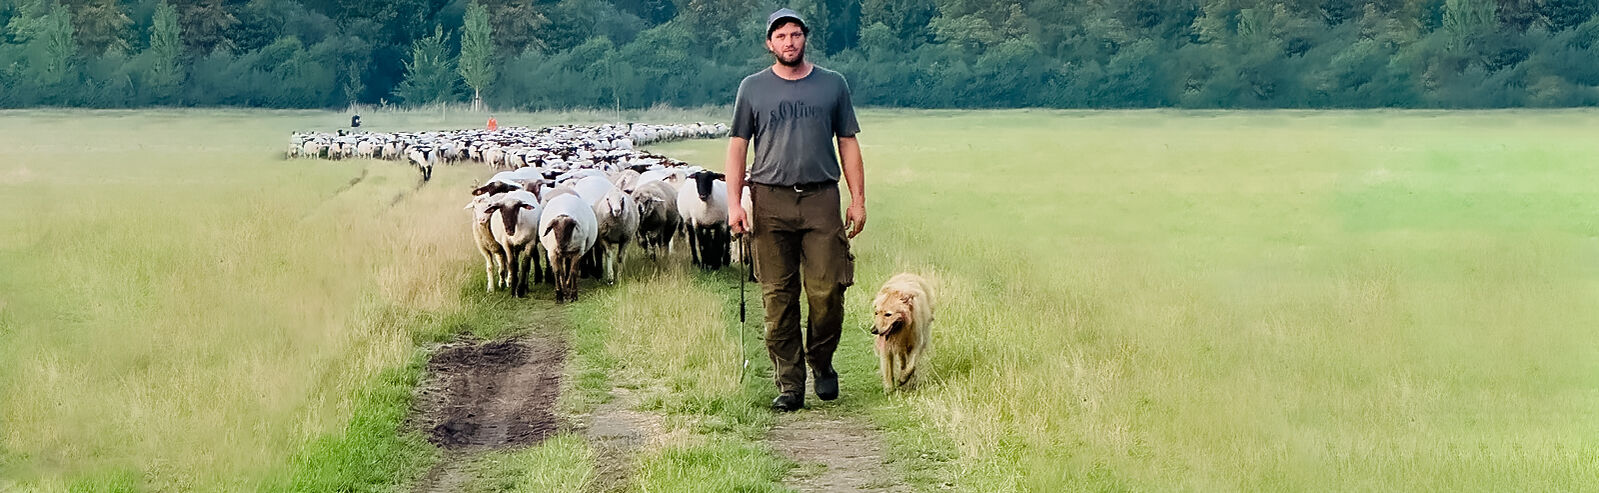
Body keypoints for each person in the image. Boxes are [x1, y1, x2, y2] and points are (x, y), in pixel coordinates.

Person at [726, 7, 865, 412]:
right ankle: (790, 384)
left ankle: (821, 361)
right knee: (777, 296)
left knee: (827, 290)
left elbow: (848, 142)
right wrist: (735, 202)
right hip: (770, 199)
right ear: (769, 44)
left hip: (822, 197)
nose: (789, 42)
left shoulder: (833, 85)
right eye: (781, 36)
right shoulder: (752, 88)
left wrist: (858, 199)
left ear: (805, 39)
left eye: (795, 35)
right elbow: (737, 146)